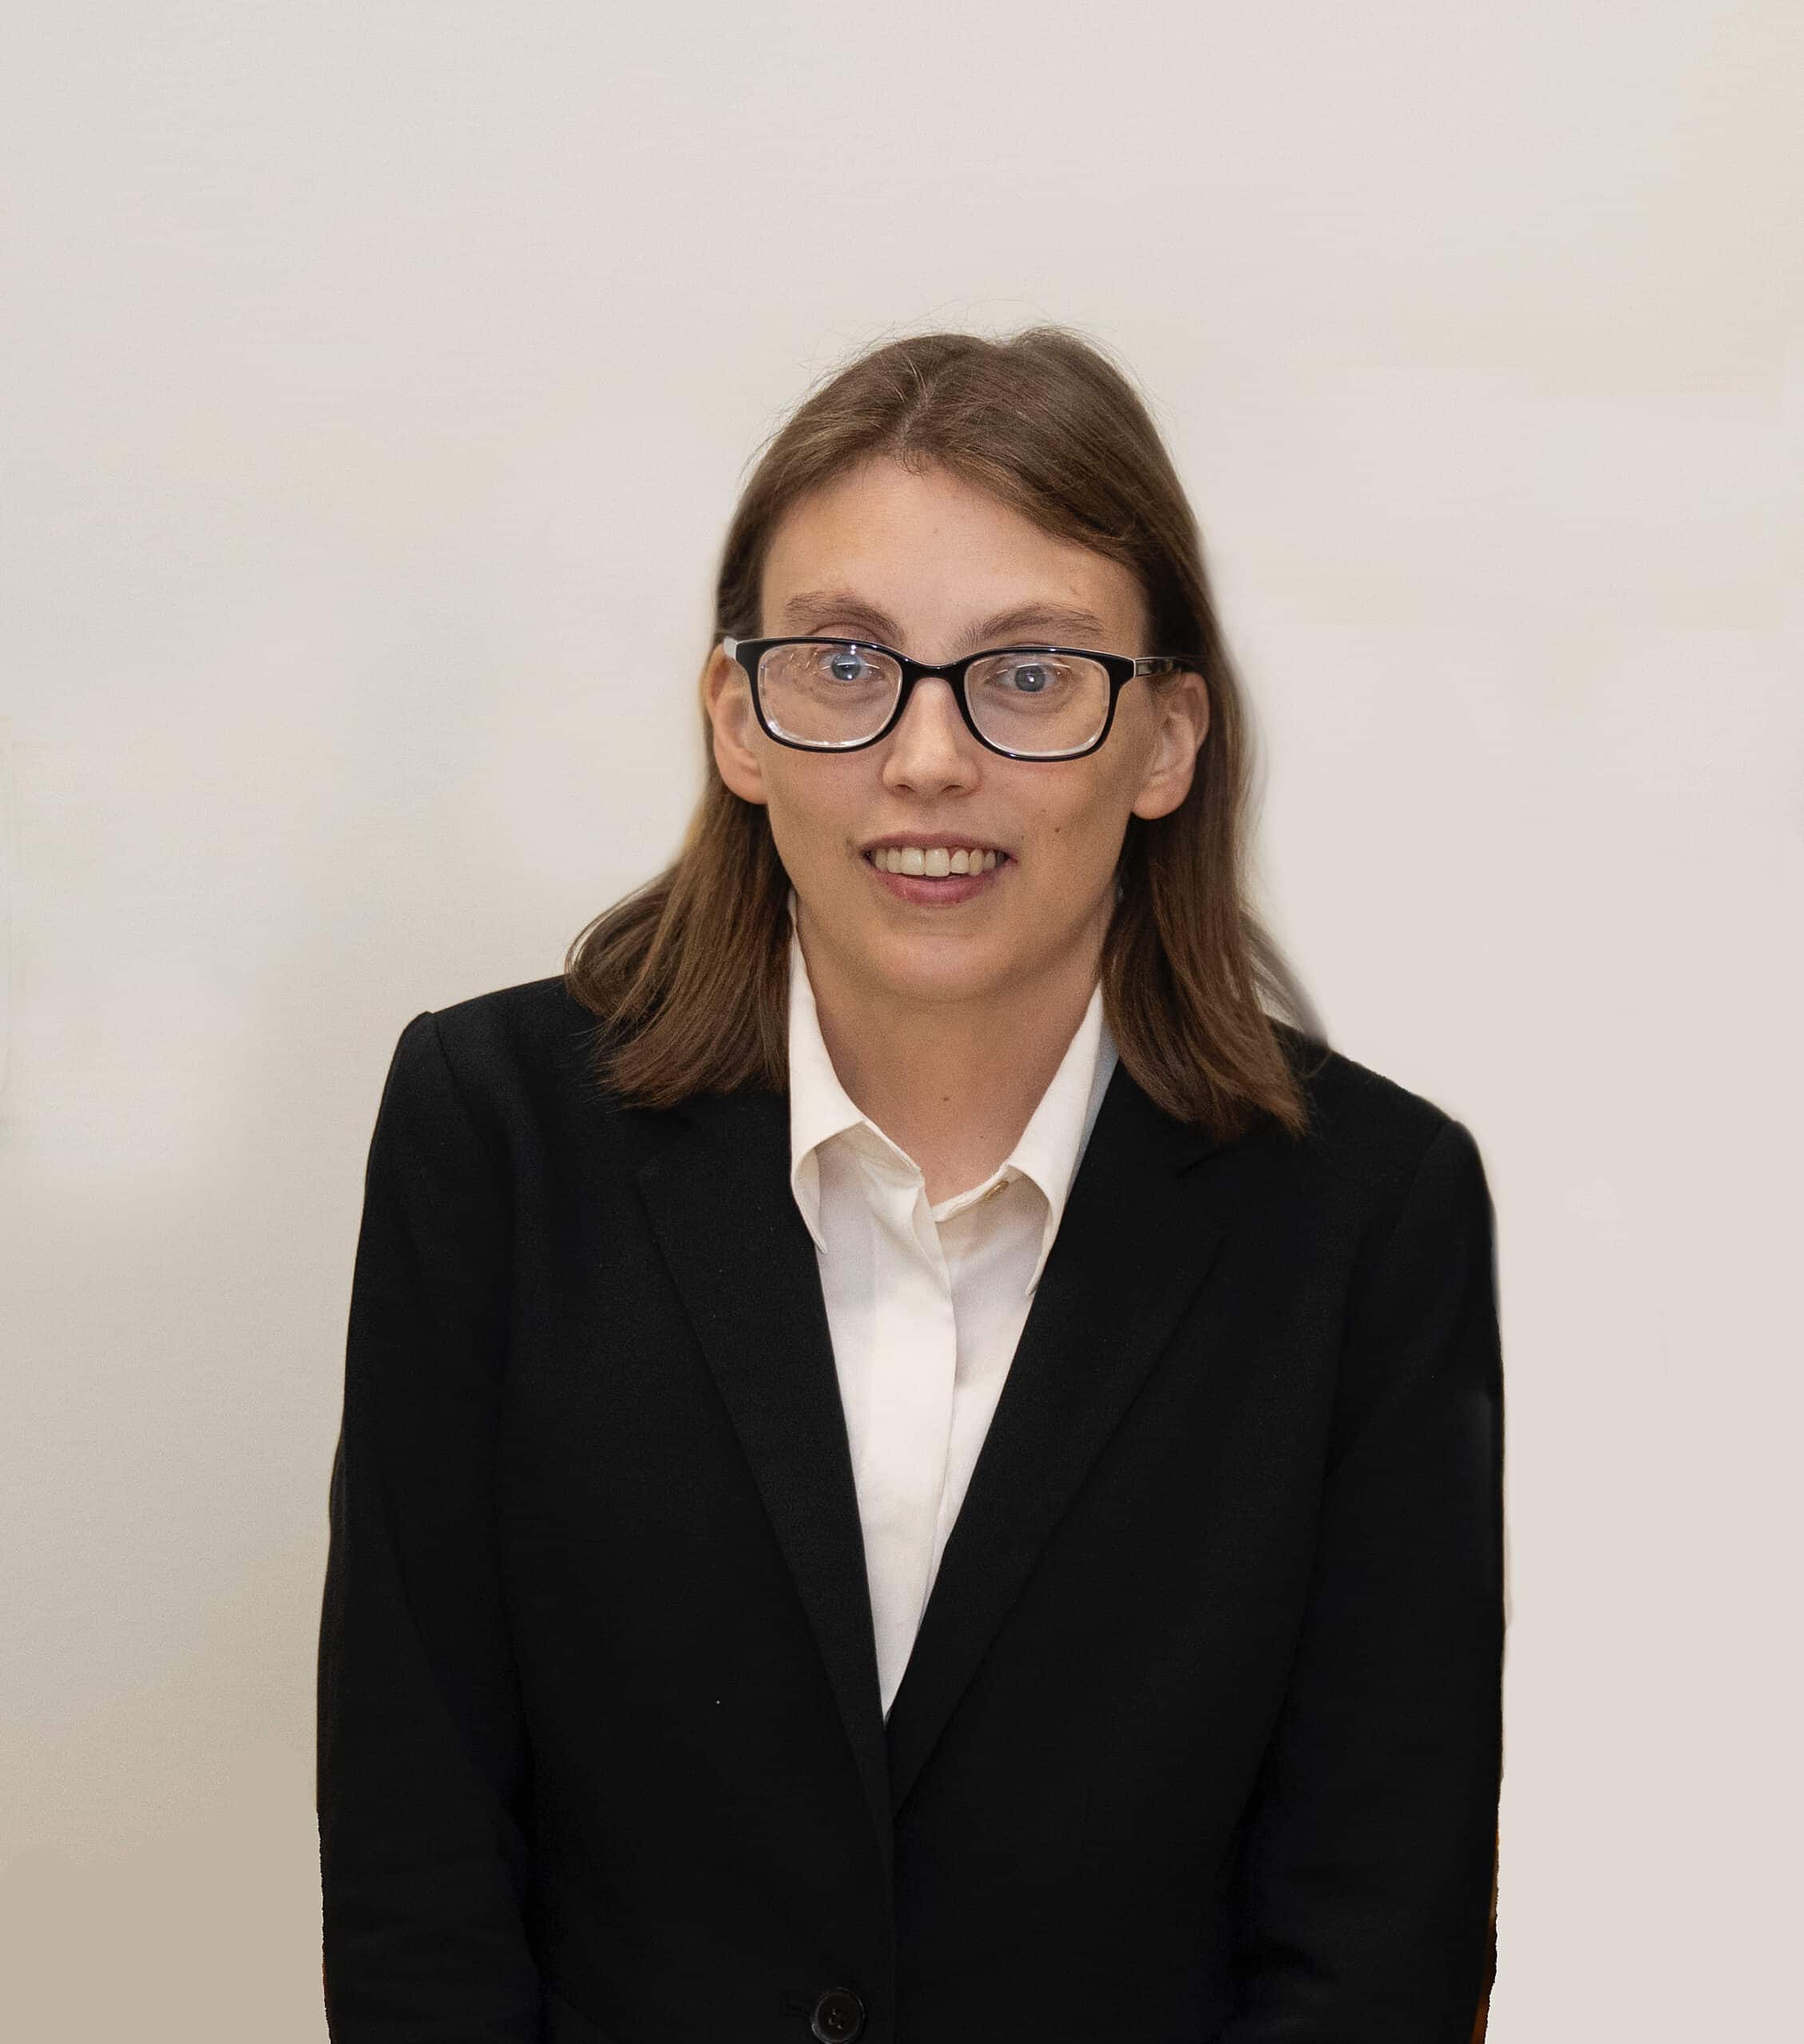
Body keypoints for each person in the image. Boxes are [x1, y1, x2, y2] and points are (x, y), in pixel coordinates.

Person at [315, 327, 1505, 2044]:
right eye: (843, 663)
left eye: (1027, 673)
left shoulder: (1370, 1214)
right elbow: (419, 1845)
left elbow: (1376, 1923)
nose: (926, 759)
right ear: (737, 713)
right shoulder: (490, 1133)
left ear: (1164, 735)